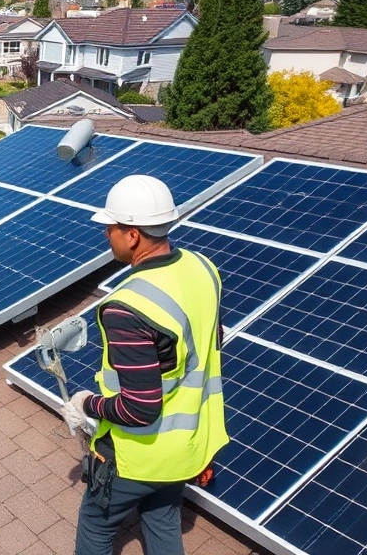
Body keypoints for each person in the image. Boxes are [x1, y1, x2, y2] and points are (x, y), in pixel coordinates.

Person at [61, 175, 229, 555]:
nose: (107, 234)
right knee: (162, 517)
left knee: (96, 525)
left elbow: (139, 409)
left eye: (111, 227)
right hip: (187, 444)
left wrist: (87, 404)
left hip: (138, 456)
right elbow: (212, 339)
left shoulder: (128, 307)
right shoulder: (203, 267)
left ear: (133, 235)